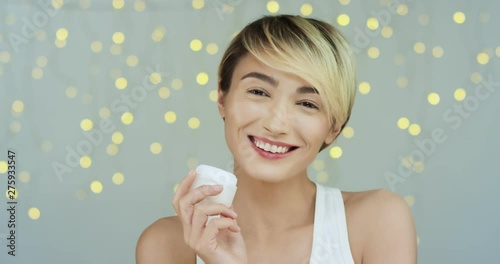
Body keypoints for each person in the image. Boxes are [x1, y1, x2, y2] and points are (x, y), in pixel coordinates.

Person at [136, 14, 417, 264]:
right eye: (258, 92)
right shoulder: (167, 244)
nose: (276, 124)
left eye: (308, 104)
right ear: (223, 98)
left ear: (334, 127)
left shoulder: (378, 220)